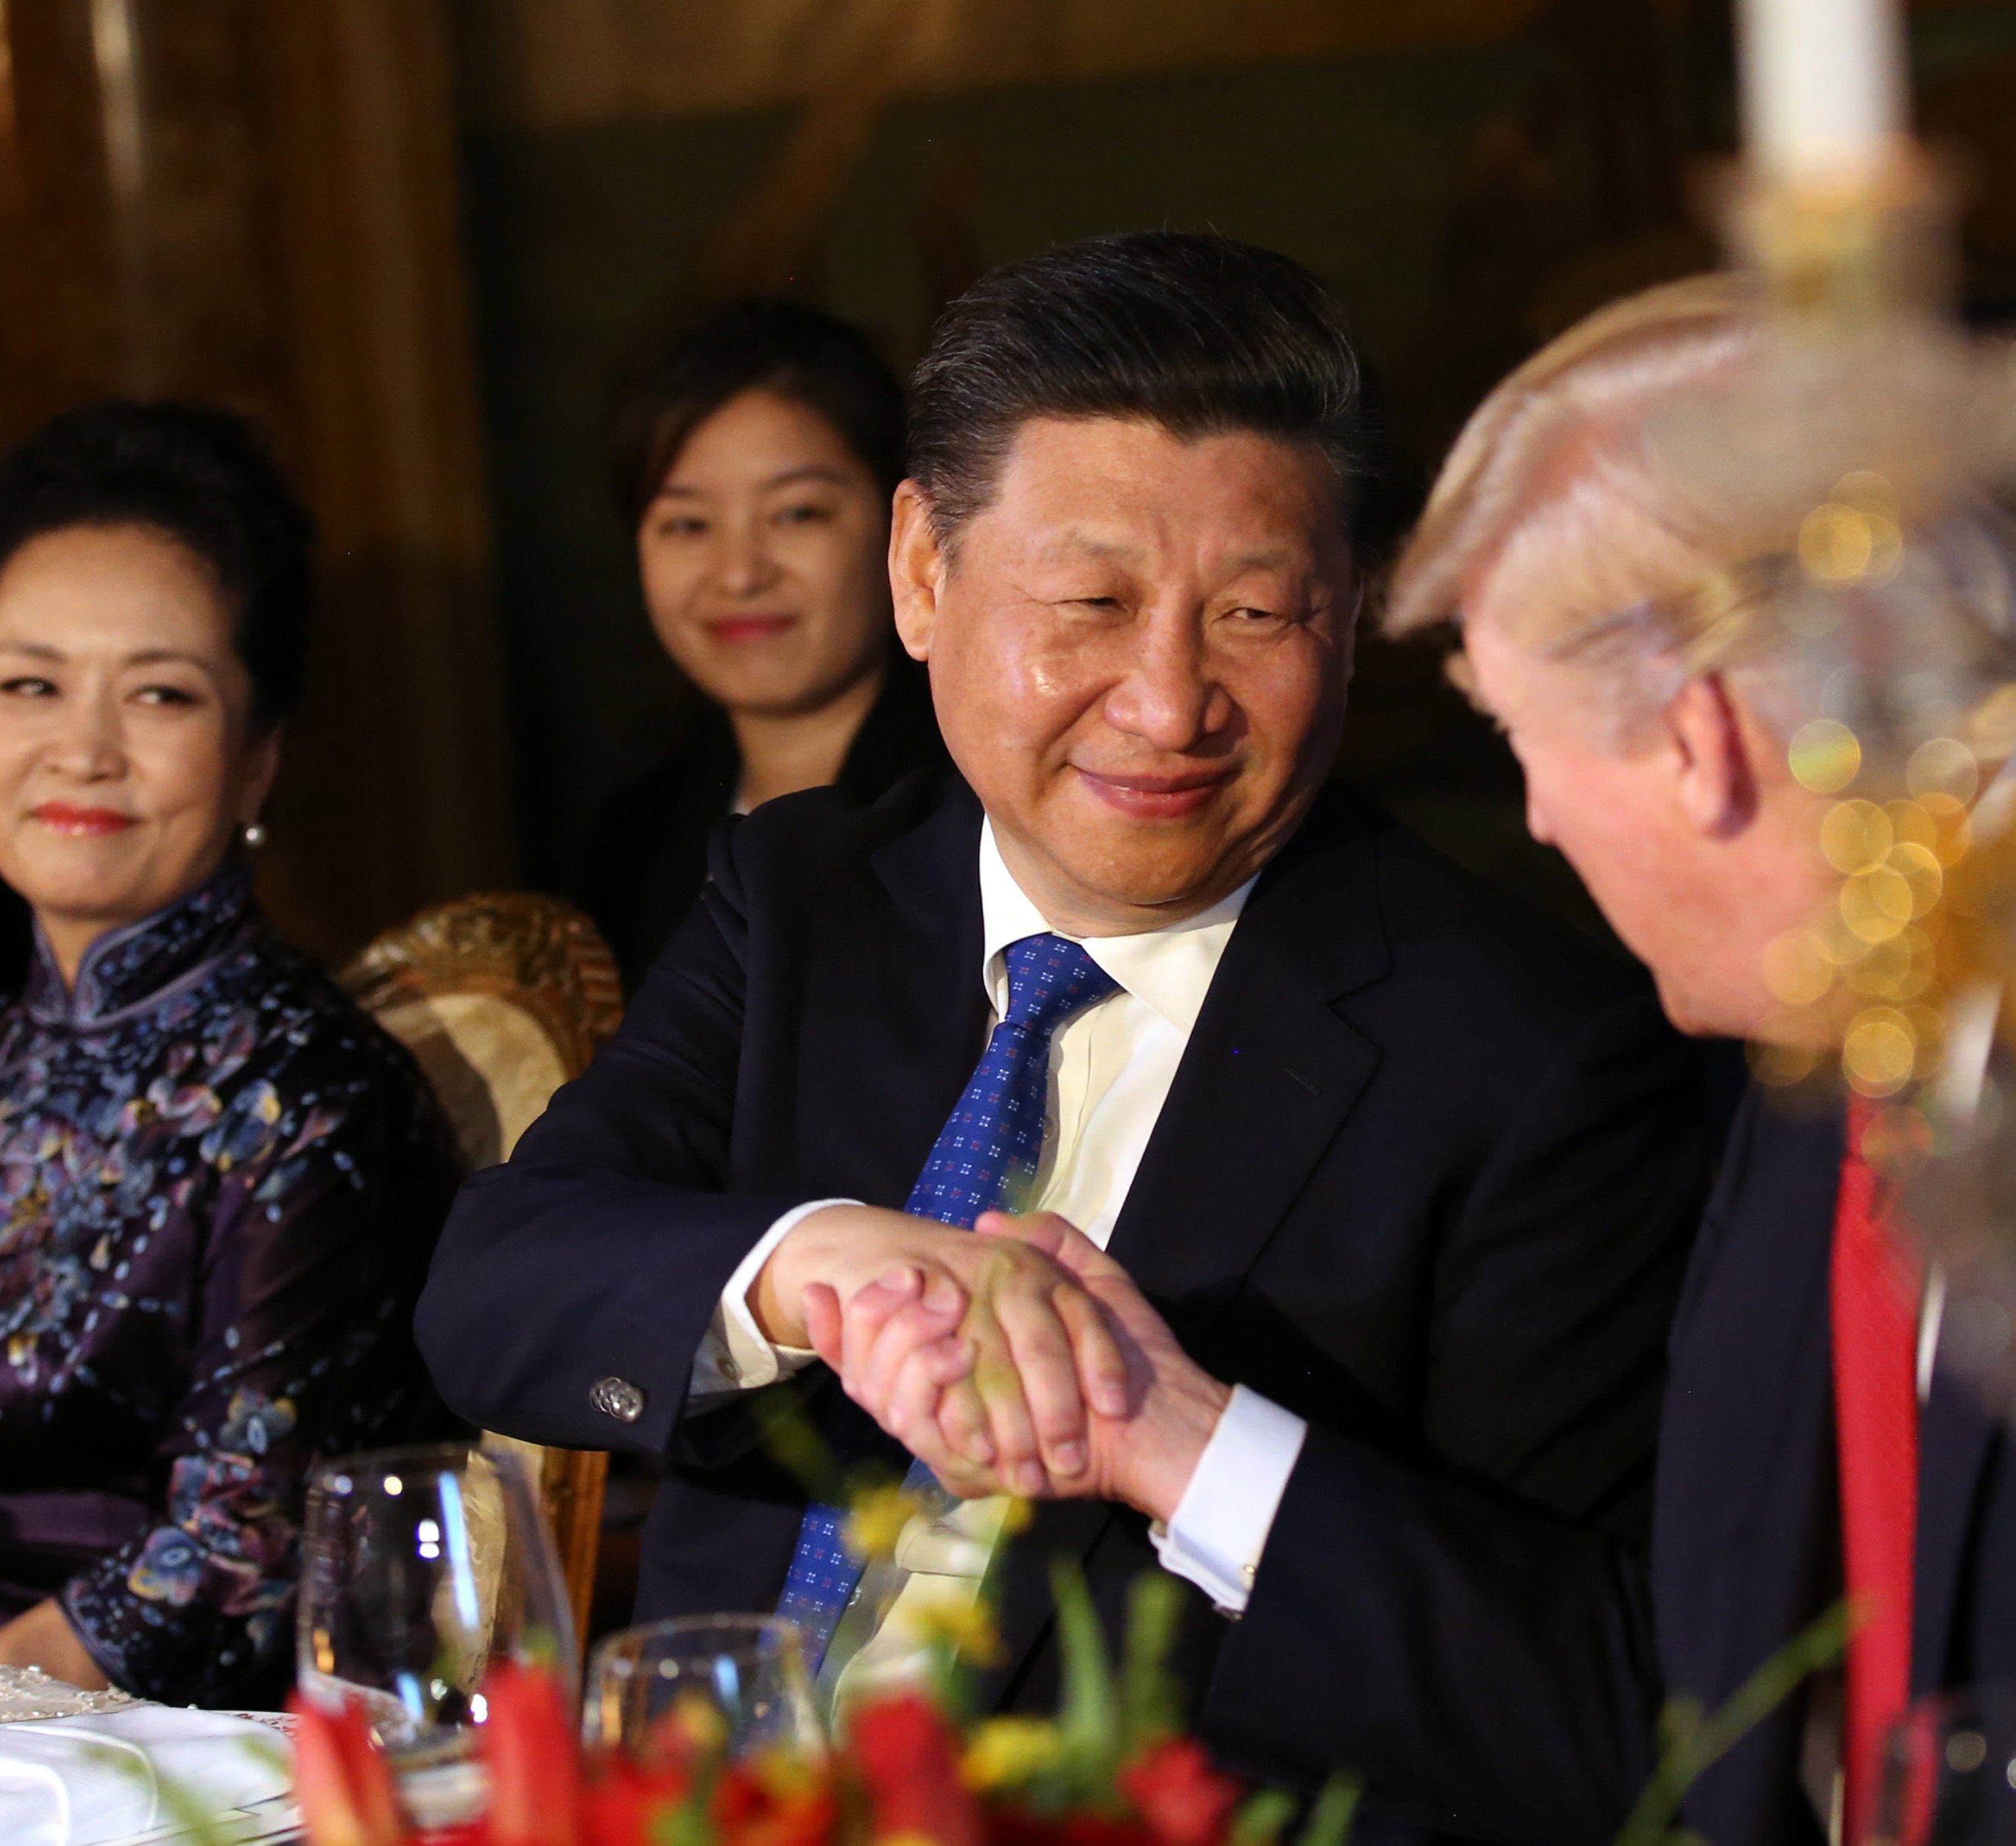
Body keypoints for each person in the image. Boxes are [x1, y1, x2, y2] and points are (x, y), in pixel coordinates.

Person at [416, 231, 1720, 1806]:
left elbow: (1597, 1703)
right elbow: (494, 1287)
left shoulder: (1530, 1054)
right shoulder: (803, 901)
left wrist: (1193, 1446)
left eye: (1255, 615)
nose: (1169, 705)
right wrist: (814, 1261)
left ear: (1354, 610)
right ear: (921, 573)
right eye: (1091, 600)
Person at [811, 276, 2016, 1846]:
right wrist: (1168, 1433)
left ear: (1700, 738)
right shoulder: (1813, 1110)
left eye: (1519, 739)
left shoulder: (1625, 1070)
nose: (1535, 823)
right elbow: (1697, 1722)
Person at [0, 402, 461, 1706]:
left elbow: (237, 1550)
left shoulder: (312, 1101)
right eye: (31, 683)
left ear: (255, 761)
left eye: (162, 693)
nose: (83, 747)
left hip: (160, 1766)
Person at [579, 302, 946, 991]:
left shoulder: (975, 809)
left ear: (906, 531)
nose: (740, 573)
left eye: (796, 513)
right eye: (687, 524)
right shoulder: (635, 835)